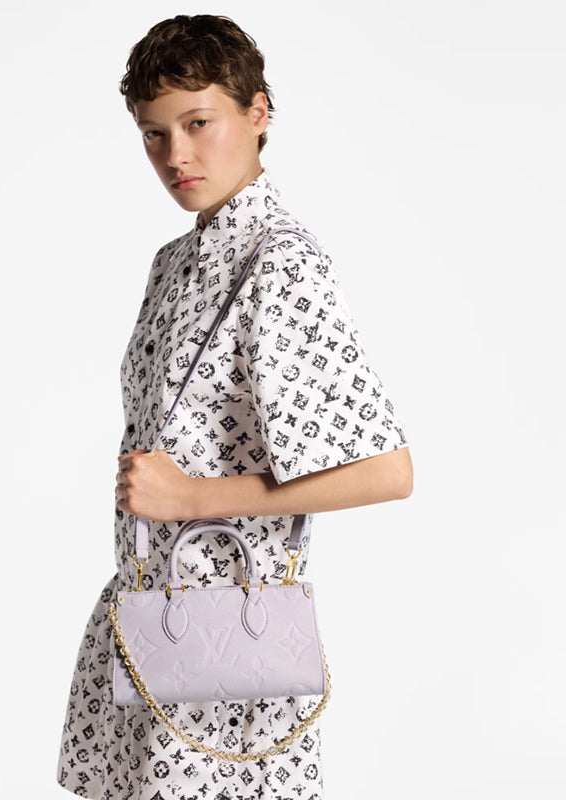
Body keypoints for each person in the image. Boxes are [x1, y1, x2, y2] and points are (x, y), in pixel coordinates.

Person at [56, 14, 413, 800]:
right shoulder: (175, 261)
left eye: (198, 123)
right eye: (154, 134)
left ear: (258, 112)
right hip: (153, 624)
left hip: (228, 650)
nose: (175, 156)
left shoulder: (281, 262)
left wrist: (191, 498)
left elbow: (386, 471)